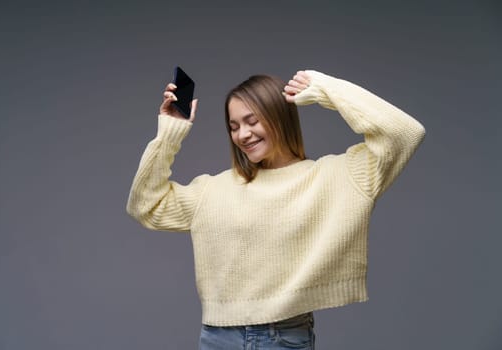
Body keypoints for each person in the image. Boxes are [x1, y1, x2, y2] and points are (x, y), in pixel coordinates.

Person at [126, 69, 425, 349]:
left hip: (281, 337)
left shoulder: (337, 177)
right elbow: (146, 205)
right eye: (234, 126)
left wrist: (325, 88)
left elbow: (404, 133)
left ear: (279, 116)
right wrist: (170, 132)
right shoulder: (212, 190)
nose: (243, 134)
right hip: (216, 337)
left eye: (252, 121)